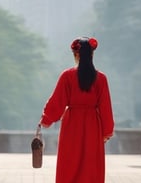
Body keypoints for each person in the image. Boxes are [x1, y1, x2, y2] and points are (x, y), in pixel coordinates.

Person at [39, 36, 115, 183]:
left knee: (69, 163)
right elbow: (106, 107)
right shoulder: (101, 78)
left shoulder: (67, 76)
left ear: (76, 55)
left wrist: (46, 119)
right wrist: (106, 131)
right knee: (91, 166)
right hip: (93, 125)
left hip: (72, 124)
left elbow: (57, 101)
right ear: (92, 54)